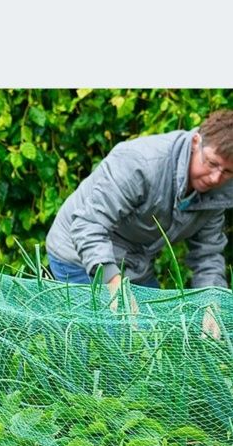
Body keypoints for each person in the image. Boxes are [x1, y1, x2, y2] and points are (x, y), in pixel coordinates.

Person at [46, 111, 233, 321]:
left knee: (149, 337)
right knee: (109, 341)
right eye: (211, 163)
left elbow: (207, 254)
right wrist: (114, 283)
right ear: (196, 142)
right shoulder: (141, 163)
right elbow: (88, 225)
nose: (216, 177)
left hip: (134, 263)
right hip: (78, 253)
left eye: (227, 172)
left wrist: (211, 302)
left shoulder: (221, 191)